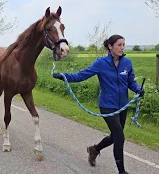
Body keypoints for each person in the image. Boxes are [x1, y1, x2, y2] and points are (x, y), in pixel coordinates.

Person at [52, 34, 144, 174]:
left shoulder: (127, 63)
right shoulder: (101, 63)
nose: (122, 47)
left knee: (114, 136)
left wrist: (138, 89)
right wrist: (64, 76)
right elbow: (82, 75)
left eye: (123, 45)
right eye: (119, 45)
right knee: (119, 136)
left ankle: (95, 149)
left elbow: (131, 82)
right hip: (107, 105)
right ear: (110, 46)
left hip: (123, 105)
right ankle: (122, 171)